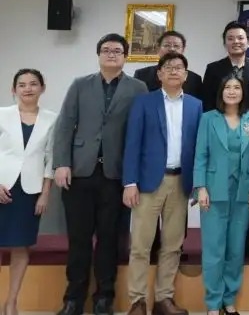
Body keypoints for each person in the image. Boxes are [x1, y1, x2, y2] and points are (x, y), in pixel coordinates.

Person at [52, 34, 148, 315]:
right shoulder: (80, 85)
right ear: (98, 55)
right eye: (106, 50)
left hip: (116, 175)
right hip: (80, 172)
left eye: (117, 50)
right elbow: (65, 125)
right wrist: (61, 163)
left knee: (109, 239)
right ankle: (73, 299)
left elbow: (141, 130)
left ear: (125, 57)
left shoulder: (138, 88)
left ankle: (104, 298)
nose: (111, 54)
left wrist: (135, 176)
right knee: (79, 239)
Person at [123, 53, 203, 315]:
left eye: (179, 67)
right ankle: (137, 301)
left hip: (181, 182)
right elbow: (132, 144)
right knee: (141, 245)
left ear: (186, 75)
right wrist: (130, 182)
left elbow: (199, 148)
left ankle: (163, 299)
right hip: (148, 183)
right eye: (168, 67)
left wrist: (198, 183)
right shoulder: (144, 102)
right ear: (159, 74)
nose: (173, 71)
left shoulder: (195, 105)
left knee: (172, 245)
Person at [194, 74, 249, 315]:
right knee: (214, 249)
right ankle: (213, 303)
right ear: (221, 92)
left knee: (235, 249)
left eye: (237, 87)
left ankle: (229, 299)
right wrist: (201, 187)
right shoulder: (208, 119)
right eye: (227, 87)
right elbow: (200, 155)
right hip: (213, 191)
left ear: (243, 92)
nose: (232, 91)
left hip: (243, 191)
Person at [201, 21, 249, 256]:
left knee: (246, 189)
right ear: (225, 42)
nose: (236, 42)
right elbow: (208, 103)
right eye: (231, 38)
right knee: (221, 192)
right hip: (221, 136)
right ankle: (220, 244)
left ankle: (245, 242)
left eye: (240, 38)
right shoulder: (214, 69)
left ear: (248, 42)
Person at [0, 69, 57, 315]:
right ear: (13, 90)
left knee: (21, 246)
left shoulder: (52, 119)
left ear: (42, 88)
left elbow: (51, 158)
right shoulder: (2, 115)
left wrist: (45, 193)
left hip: (29, 191)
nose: (28, 89)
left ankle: (11, 302)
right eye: (22, 84)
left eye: (33, 84)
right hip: (2, 185)